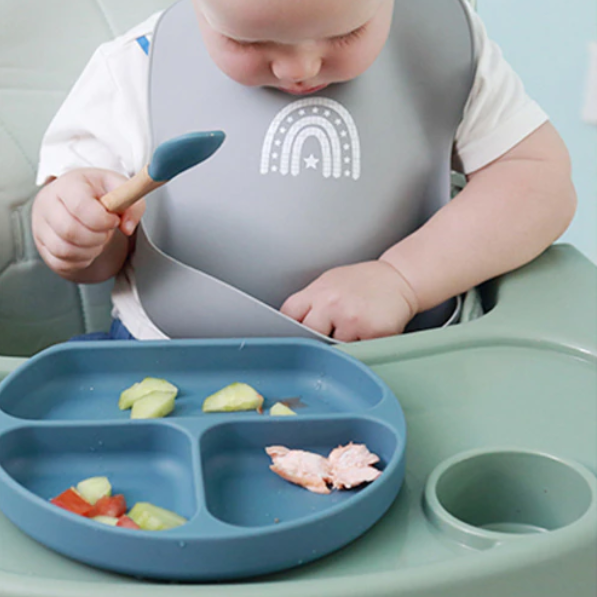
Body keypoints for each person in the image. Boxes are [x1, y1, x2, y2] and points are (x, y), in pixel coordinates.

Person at [32, 0, 576, 343]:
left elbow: (537, 180)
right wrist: (78, 233)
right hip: (176, 358)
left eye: (346, 34)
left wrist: (404, 280)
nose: (300, 69)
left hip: (410, 359)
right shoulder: (133, 68)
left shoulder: (445, 41)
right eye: (248, 42)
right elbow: (99, 260)